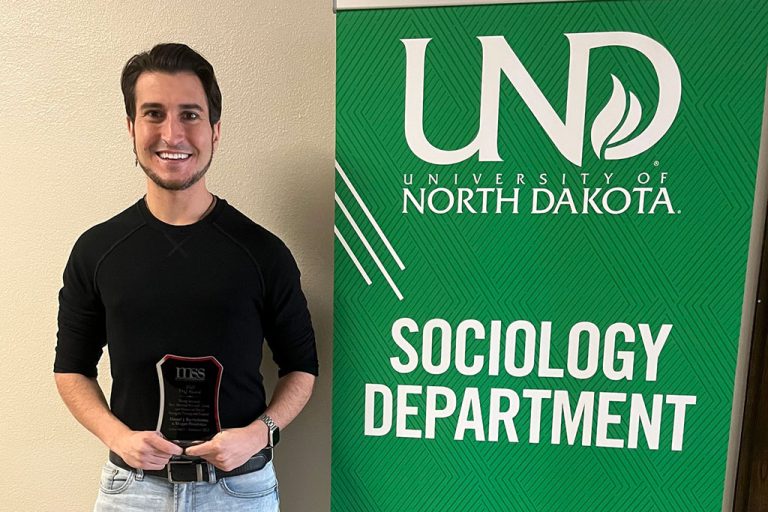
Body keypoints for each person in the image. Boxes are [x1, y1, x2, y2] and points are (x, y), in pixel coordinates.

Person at [54, 43, 318, 511]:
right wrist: (118, 436)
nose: (172, 133)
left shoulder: (263, 253)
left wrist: (260, 436)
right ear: (131, 127)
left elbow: (301, 367)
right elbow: (71, 369)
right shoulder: (96, 251)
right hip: (132, 491)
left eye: (190, 115)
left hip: (240, 490)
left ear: (215, 130)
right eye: (153, 113)